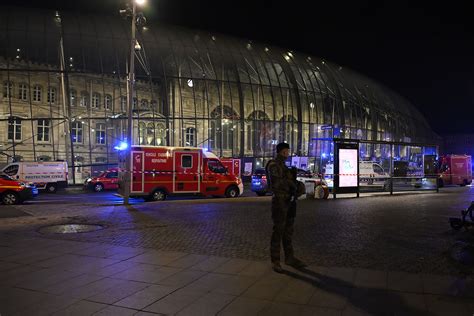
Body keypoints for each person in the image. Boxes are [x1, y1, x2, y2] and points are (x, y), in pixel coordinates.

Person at [265, 142, 307, 273]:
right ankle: (275, 261)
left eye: (288, 151)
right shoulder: (273, 165)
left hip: (289, 202)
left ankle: (290, 258)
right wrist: (292, 184)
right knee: (278, 231)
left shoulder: (285, 166)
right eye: (286, 151)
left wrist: (298, 185)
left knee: (288, 232)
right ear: (281, 152)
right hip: (279, 203)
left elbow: (290, 182)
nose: (287, 154)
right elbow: (277, 183)